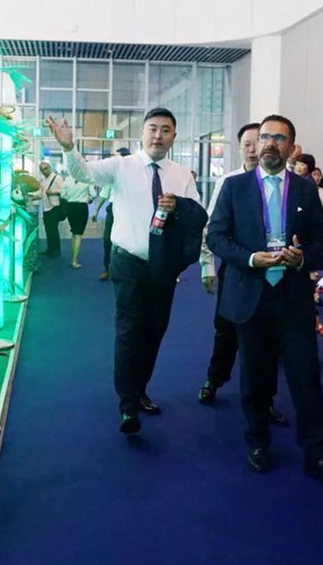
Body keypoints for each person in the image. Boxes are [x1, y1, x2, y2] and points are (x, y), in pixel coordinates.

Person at [47, 108, 205, 435]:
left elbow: (199, 213)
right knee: (129, 331)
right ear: (142, 133)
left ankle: (140, 388)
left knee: (154, 331)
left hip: (163, 267)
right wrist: (68, 147)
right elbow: (83, 173)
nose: (158, 135)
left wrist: (179, 205)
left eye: (165, 130)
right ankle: (128, 404)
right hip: (128, 262)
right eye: (152, 128)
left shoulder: (181, 175)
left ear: (174, 137)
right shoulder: (122, 166)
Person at [207, 114, 323, 483]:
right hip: (250, 295)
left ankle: (317, 453)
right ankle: (257, 442)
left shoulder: (305, 190)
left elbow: (320, 240)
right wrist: (252, 258)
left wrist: (303, 258)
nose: (269, 143)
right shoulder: (234, 187)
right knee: (254, 376)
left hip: (293, 297)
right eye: (264, 137)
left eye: (278, 138)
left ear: (291, 148)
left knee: (306, 375)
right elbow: (216, 237)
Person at [196, 123, 287, 427]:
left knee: (269, 341)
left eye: (256, 142)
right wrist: (208, 267)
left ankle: (266, 400)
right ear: (239, 148)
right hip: (236, 272)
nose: (252, 149)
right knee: (226, 332)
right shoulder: (229, 182)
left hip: (274, 275)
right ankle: (215, 379)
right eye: (247, 144)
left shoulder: (284, 184)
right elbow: (212, 230)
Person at [92, 147, 132, 281]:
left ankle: (124, 269)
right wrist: (96, 210)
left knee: (126, 240)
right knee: (107, 238)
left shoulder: (134, 174)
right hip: (113, 208)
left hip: (129, 209)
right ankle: (107, 268)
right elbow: (105, 192)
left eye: (116, 157)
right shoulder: (113, 173)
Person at [61, 175, 96, 268]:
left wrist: (70, 198)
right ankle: (74, 261)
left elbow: (62, 194)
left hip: (70, 207)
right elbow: (93, 194)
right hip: (81, 207)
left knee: (74, 232)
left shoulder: (67, 179)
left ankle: (73, 258)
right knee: (78, 234)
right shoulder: (87, 179)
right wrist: (88, 199)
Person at [36, 161, 64, 257]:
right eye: (42, 170)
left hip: (54, 207)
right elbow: (40, 194)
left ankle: (56, 250)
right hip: (46, 208)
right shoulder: (43, 180)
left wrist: (53, 192)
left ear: (50, 168)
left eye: (45, 168)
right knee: (48, 230)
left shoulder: (57, 178)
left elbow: (64, 190)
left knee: (53, 230)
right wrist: (30, 197)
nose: (44, 171)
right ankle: (50, 249)